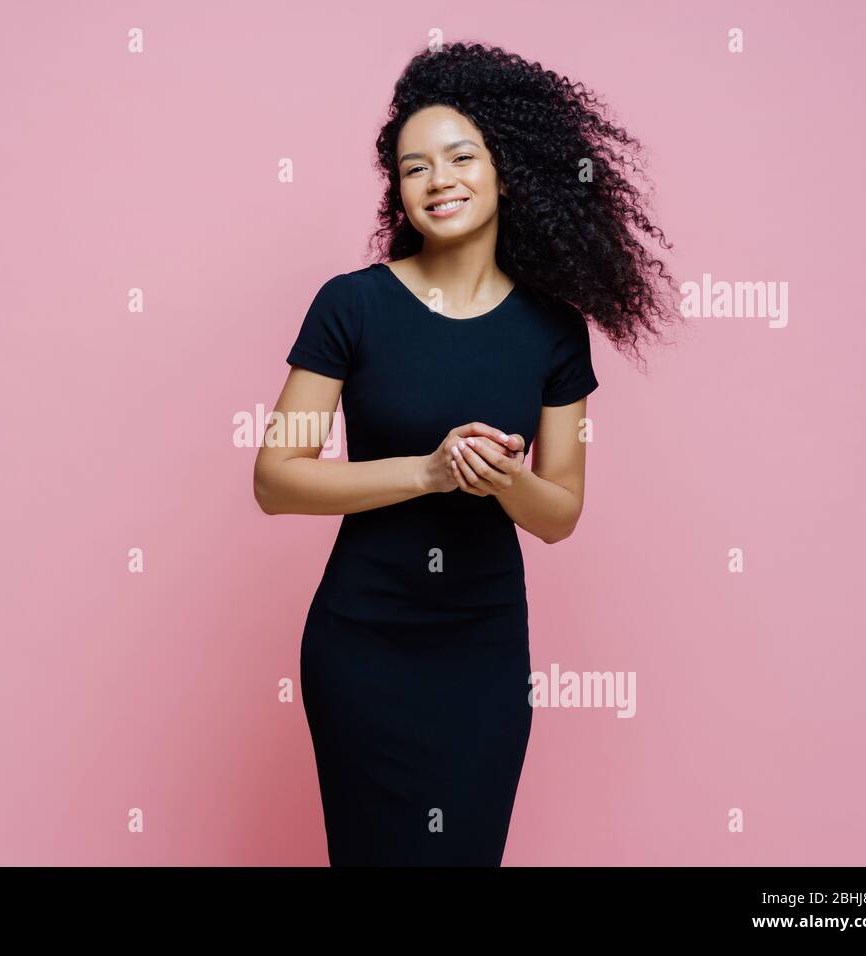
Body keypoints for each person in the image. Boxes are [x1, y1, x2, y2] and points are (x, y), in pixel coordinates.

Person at [253, 41, 677, 866]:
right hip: (362, 645)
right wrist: (430, 471)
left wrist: (506, 481)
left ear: (505, 170)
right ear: (399, 194)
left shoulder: (554, 328)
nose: (438, 179)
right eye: (415, 168)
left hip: (481, 648)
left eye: (459, 156)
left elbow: (560, 513)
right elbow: (275, 479)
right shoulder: (353, 305)